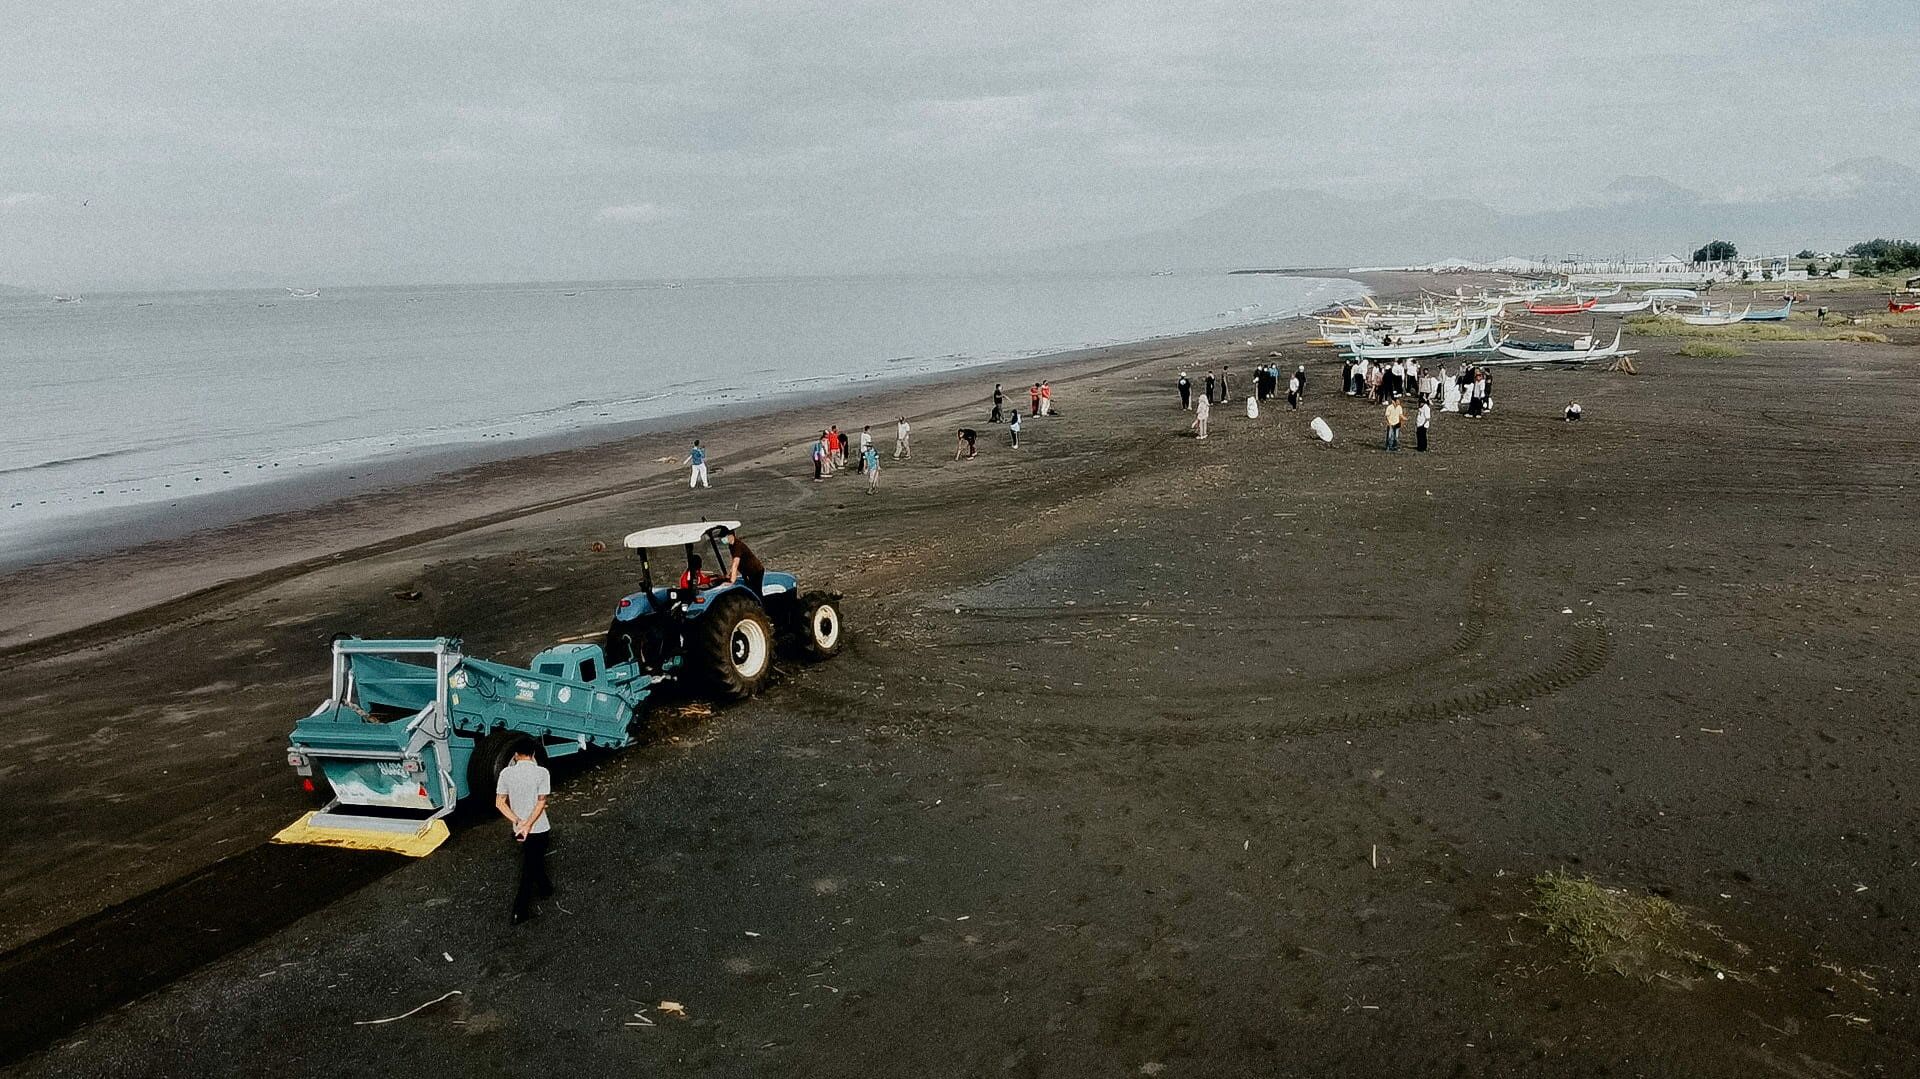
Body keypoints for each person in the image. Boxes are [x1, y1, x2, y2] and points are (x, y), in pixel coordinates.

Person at [496, 745, 552, 925]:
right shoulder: (542, 773)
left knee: (533, 859)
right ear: (533, 754)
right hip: (539, 826)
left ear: (515, 755)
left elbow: (500, 803)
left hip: (519, 829)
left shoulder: (506, 773)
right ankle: (519, 911)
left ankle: (546, 888)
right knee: (529, 867)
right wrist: (529, 824)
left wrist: (518, 822)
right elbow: (541, 802)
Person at [723, 529, 765, 595]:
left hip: (755, 571)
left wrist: (732, 581)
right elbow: (734, 561)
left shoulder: (737, 546)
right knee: (750, 590)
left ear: (731, 536)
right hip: (747, 572)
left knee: (756, 592)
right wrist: (730, 574)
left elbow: (735, 563)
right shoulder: (731, 545)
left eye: (724, 536)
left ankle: (761, 604)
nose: (723, 539)